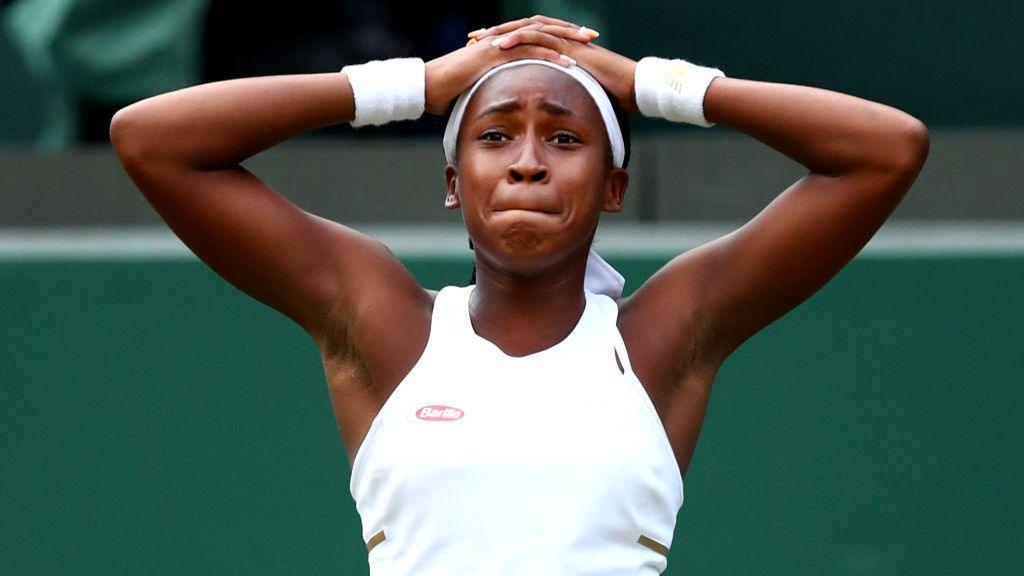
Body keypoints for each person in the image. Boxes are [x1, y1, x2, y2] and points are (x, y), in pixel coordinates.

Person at [109, 14, 929, 575]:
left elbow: (885, 150)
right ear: (452, 182)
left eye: (565, 138)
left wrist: (647, 83)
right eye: (495, 135)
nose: (528, 161)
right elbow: (152, 140)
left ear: (613, 188)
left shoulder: (661, 341)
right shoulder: (384, 324)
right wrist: (417, 84)